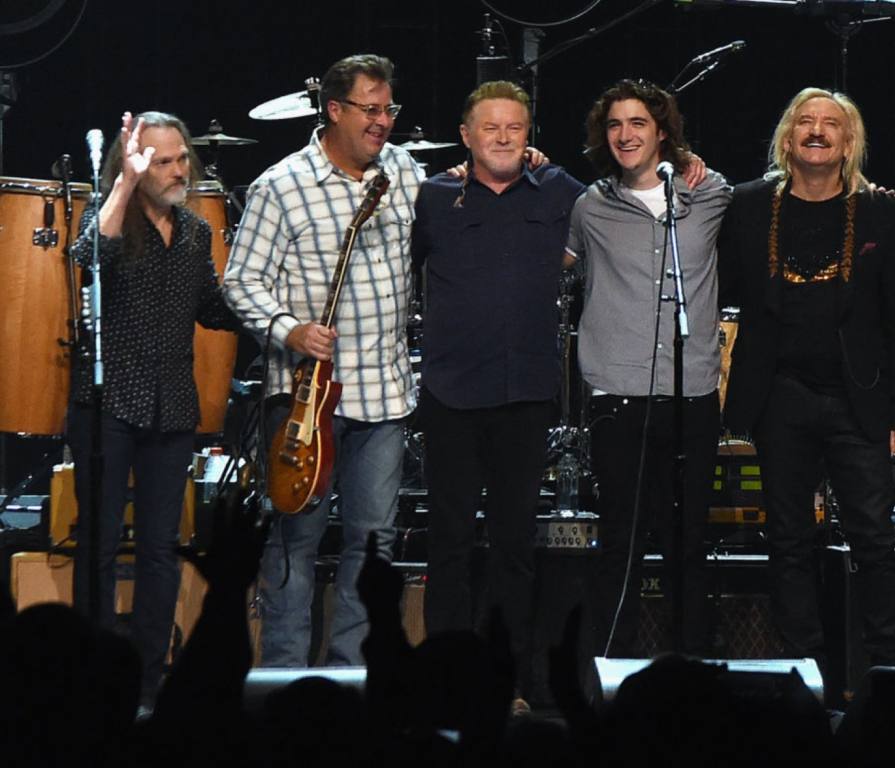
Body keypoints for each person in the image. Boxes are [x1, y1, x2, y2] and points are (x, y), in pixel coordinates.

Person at [223, 54, 423, 667]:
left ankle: (352, 676)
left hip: (384, 394)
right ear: (333, 111)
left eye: (389, 109)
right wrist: (289, 329)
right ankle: (282, 679)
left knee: (374, 542)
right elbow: (240, 280)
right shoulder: (281, 186)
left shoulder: (404, 172)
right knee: (294, 541)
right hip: (306, 400)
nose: (383, 122)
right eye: (371, 109)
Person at [717, 87, 895, 668]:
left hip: (860, 399)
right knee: (788, 540)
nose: (817, 131)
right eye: (805, 121)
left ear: (848, 142)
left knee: (875, 539)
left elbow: (893, 315)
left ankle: (889, 669)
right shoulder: (751, 204)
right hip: (780, 395)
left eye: (831, 124)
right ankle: (803, 668)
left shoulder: (879, 208)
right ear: (787, 137)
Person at [411, 80, 586, 699]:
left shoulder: (560, 191)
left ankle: (510, 677)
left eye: (515, 127)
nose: (505, 137)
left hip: (525, 395)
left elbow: (622, 205)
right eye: (491, 127)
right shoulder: (431, 197)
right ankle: (445, 679)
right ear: (466, 136)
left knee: (516, 544)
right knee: (450, 542)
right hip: (451, 393)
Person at [68, 110, 237, 708]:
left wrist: (273, 312)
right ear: (135, 165)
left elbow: (212, 309)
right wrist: (121, 184)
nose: (175, 171)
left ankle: (145, 680)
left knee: (162, 547)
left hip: (171, 407)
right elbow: (87, 259)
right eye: (160, 162)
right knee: (102, 542)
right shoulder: (111, 216)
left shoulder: (193, 232)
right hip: (107, 404)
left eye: (179, 159)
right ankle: (92, 676)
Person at [565, 79, 729, 657]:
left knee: (689, 543)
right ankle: (609, 674)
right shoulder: (590, 205)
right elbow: (551, 260)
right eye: (614, 125)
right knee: (622, 542)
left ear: (662, 131)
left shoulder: (707, 194)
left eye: (638, 123)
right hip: (620, 393)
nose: (625, 134)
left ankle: (692, 668)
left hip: (693, 394)